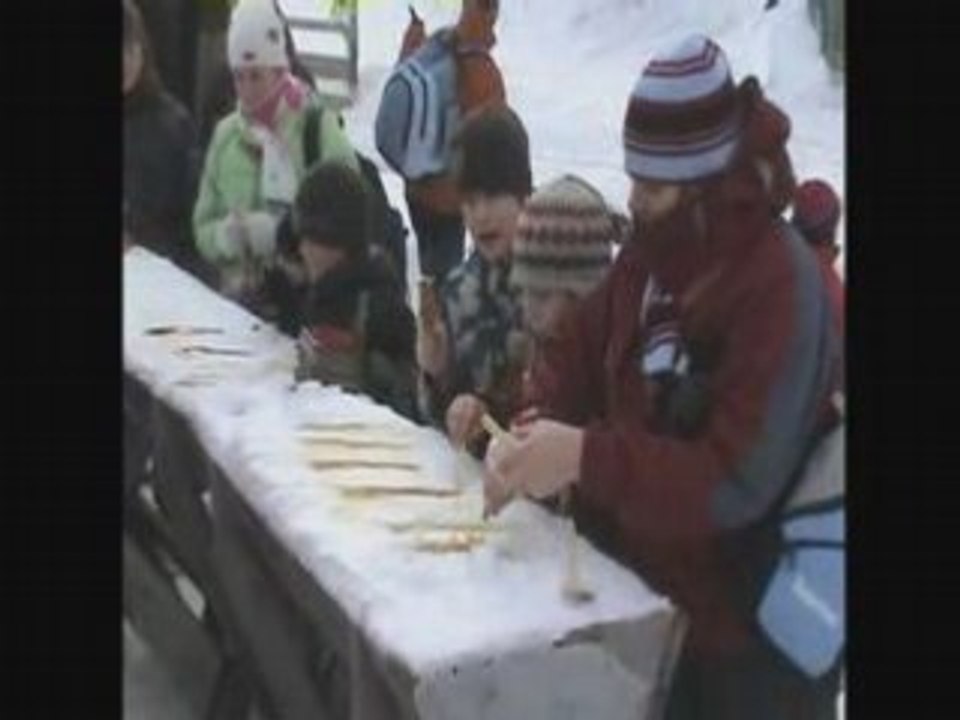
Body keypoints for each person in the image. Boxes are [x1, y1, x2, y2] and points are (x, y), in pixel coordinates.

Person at [485, 35, 844, 719]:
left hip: (745, 649)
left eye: (652, 186)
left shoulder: (779, 288)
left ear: (706, 179)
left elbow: (732, 484)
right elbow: (580, 355)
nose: (635, 200)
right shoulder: (653, 256)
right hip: (648, 611)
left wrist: (585, 457)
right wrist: (531, 430)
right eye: (633, 180)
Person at [193, 0, 359, 328]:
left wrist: (282, 234)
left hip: (309, 312)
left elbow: (351, 214)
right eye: (239, 77)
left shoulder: (317, 128)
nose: (247, 89)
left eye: (256, 76)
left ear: (281, 71)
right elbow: (203, 224)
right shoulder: (225, 136)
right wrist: (225, 237)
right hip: (237, 313)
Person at [446, 174, 621, 448]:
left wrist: (572, 462)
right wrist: (482, 416)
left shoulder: (620, 369)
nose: (528, 310)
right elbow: (521, 419)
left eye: (541, 294)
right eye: (523, 291)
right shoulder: (544, 349)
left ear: (585, 295)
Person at [418, 105, 532, 450]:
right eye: (469, 201)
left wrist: (492, 412)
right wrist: (437, 378)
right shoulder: (456, 290)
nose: (481, 215)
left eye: (494, 197)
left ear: (523, 192)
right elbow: (436, 420)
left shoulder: (552, 284)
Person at [293, 162, 419, 420]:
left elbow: (409, 386)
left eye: (312, 240)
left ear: (337, 243)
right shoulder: (320, 290)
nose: (304, 251)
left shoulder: (377, 301)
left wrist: (373, 372)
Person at [397, 0, 506, 281]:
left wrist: (414, 34)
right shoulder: (483, 71)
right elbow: (497, 141)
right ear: (491, 14)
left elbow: (404, 78)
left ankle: (429, 307)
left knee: (429, 267)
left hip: (415, 182)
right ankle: (438, 319)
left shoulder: (436, 47)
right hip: (450, 197)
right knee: (447, 278)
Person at [123, 0, 206, 280]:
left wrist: (143, 247)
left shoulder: (173, 123)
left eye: (129, 49)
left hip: (160, 273)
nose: (124, 62)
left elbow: (192, 220)